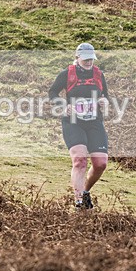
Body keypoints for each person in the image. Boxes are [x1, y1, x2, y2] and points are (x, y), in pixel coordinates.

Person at [48, 43, 110, 209]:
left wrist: (104, 101)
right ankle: (79, 203)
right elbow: (52, 93)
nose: (89, 62)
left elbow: (105, 95)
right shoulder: (67, 74)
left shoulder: (98, 74)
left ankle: (85, 192)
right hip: (73, 122)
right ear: (77, 58)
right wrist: (62, 104)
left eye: (91, 59)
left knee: (100, 163)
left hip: (94, 121)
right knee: (80, 160)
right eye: (85, 59)